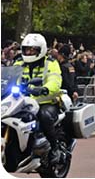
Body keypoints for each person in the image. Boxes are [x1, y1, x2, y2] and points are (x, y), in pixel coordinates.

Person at [14, 33, 63, 163]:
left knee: (44, 116)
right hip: (22, 103)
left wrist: (45, 88)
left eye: (32, 50)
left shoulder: (50, 63)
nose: (28, 52)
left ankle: (55, 148)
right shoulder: (18, 62)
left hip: (46, 102)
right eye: (26, 49)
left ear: (41, 50)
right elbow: (9, 77)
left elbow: (55, 80)